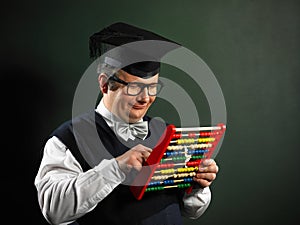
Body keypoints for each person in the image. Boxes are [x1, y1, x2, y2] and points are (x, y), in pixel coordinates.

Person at [34, 22, 219, 225]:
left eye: (153, 87)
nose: (145, 98)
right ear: (105, 83)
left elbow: (191, 211)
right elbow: (54, 210)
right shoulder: (69, 139)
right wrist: (116, 167)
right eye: (135, 87)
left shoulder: (166, 133)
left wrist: (197, 186)